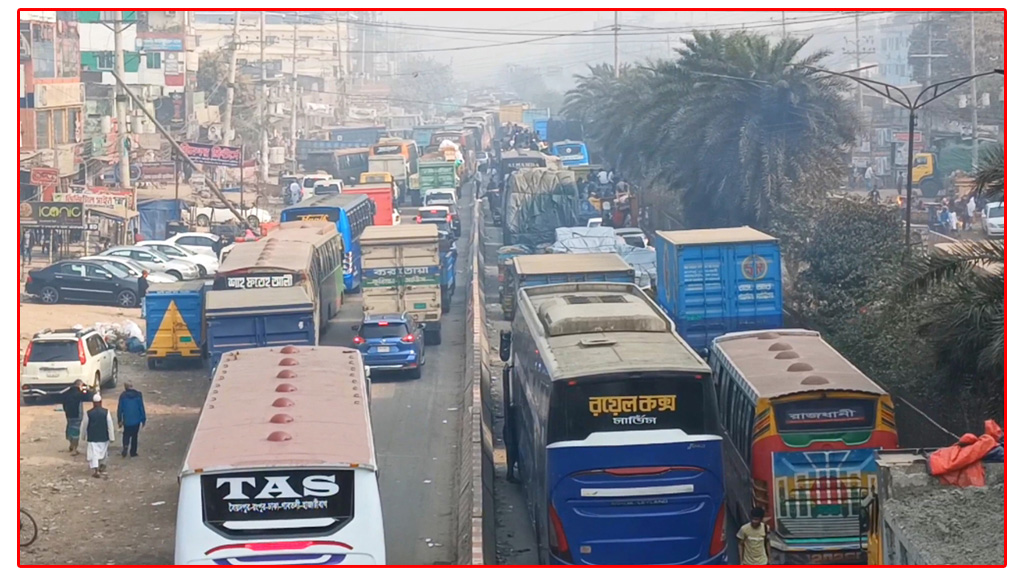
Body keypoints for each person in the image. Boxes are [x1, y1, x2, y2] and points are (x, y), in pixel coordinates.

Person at [80, 394, 115, 478]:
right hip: (104, 436)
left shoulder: (88, 413)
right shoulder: (106, 412)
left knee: (94, 454)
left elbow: (84, 425)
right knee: (103, 452)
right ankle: (102, 466)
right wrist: (111, 437)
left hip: (92, 437)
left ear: (93, 403)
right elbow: (110, 425)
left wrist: (83, 436)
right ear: (100, 402)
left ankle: (96, 470)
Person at [61, 380, 91, 455]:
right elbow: (89, 397)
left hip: (68, 414)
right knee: (76, 432)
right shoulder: (79, 394)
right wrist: (87, 390)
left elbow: (63, 404)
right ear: (80, 385)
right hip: (77, 415)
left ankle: (71, 444)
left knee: (70, 429)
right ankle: (74, 449)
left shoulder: (67, 393)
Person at [117, 382, 146, 458]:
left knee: (126, 434)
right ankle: (133, 452)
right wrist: (143, 419)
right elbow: (141, 407)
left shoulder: (123, 396)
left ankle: (125, 446)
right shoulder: (138, 395)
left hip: (127, 419)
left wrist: (119, 420)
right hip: (136, 419)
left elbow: (120, 409)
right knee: (134, 436)